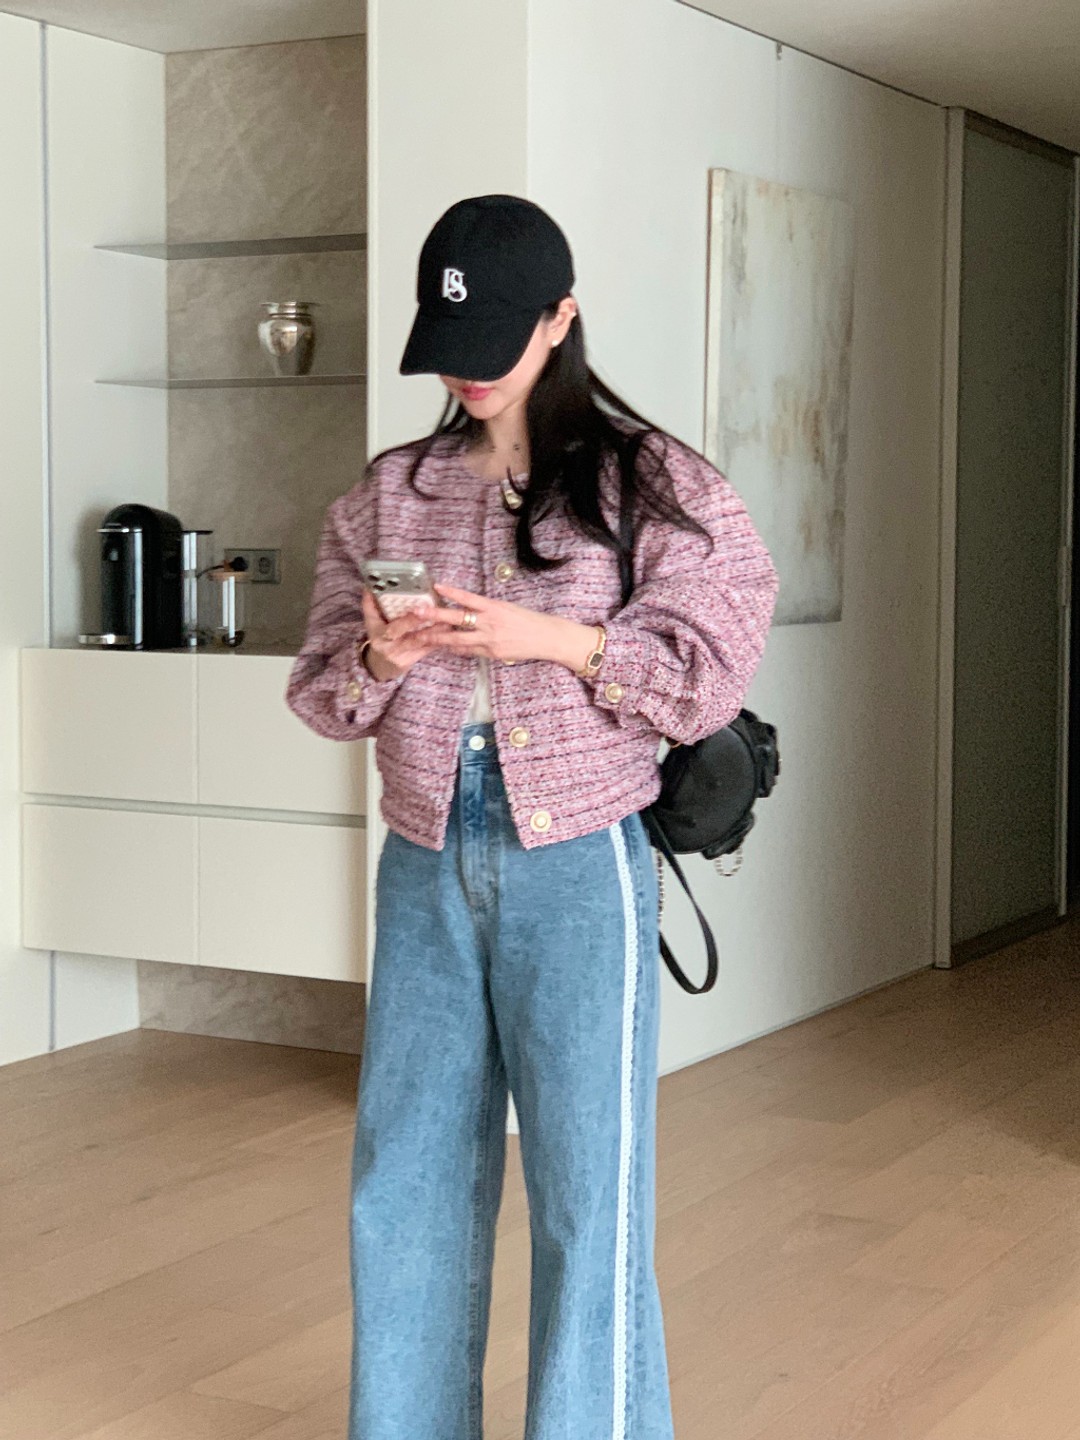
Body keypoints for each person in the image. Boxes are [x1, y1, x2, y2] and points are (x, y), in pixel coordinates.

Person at [285, 193, 778, 1440]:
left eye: (497, 339)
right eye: (448, 344)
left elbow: (708, 676)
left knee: (586, 1194)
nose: (468, 371)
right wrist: (385, 660)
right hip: (423, 856)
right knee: (404, 1181)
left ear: (560, 318)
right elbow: (324, 695)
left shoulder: (650, 481)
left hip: (578, 861)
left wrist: (552, 640)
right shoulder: (391, 492)